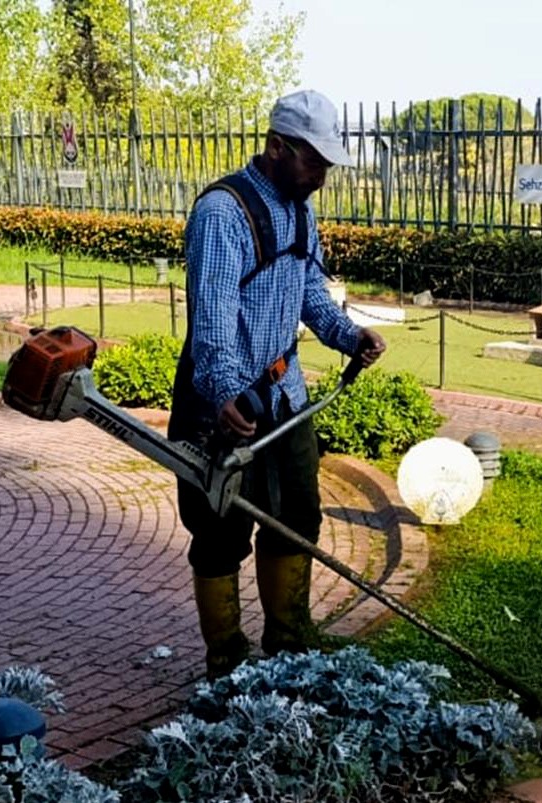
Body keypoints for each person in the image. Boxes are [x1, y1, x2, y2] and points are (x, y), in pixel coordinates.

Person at [168, 90, 386, 680]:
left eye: (326, 165)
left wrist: (348, 335)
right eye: (313, 162)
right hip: (222, 406)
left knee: (296, 518)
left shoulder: (300, 209)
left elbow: (311, 292)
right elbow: (211, 318)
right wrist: (224, 392)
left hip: (286, 397)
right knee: (219, 534)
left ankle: (289, 643)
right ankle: (227, 663)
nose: (321, 176)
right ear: (276, 147)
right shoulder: (222, 213)